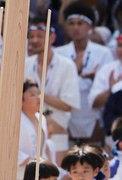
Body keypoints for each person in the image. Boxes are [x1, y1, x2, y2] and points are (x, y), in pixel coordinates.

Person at [55, 1, 113, 144]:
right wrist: (74, 70)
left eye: (80, 23)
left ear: (90, 26)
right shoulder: (58, 53)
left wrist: (94, 77)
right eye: (72, 23)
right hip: (67, 114)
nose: (75, 28)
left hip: (93, 114)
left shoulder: (104, 53)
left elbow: (107, 84)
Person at [24, 17, 81, 162]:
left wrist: (37, 95)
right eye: (32, 36)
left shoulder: (67, 65)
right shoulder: (26, 64)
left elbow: (69, 104)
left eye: (40, 36)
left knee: (56, 178)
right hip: (28, 128)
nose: (35, 40)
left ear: (52, 38)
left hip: (57, 131)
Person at [18, 79, 49, 180]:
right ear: (21, 98)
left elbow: (44, 147)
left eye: (39, 93)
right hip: (19, 175)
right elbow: (9, 150)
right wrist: (31, 162)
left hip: (39, 175)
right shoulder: (16, 119)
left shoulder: (42, 119)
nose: (38, 97)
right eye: (32, 94)